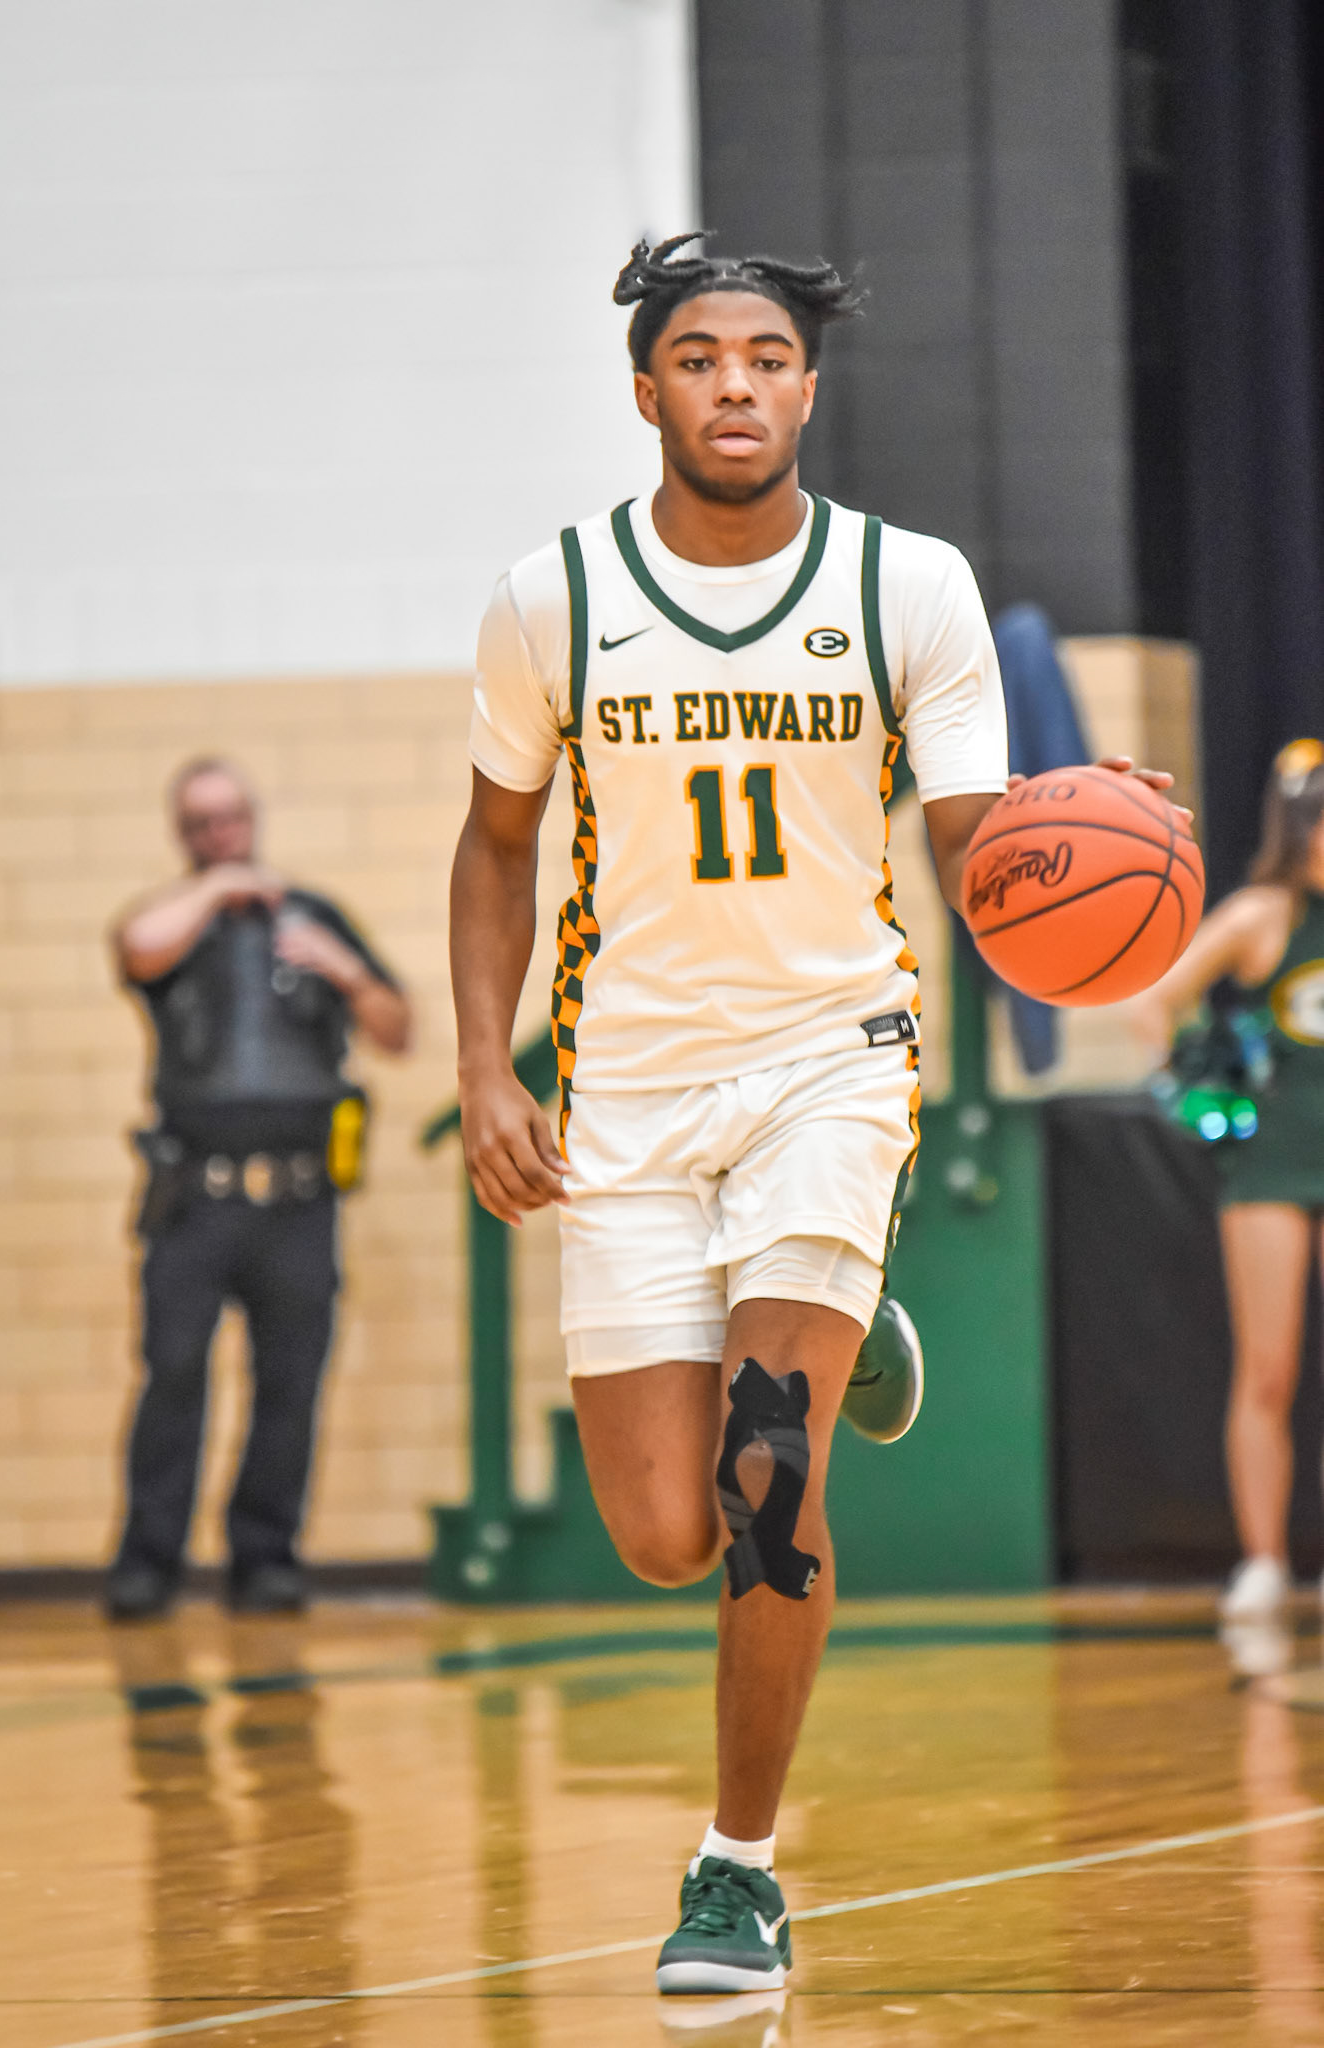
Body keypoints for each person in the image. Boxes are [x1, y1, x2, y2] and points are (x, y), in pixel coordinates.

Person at [449, 231, 1172, 1994]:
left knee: (765, 1479)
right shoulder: (553, 596)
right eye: (701, 358)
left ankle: (737, 1871)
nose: (737, 385)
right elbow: (494, 843)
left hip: (831, 1058)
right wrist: (481, 1066)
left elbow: (975, 846)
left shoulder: (903, 584)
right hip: (627, 1080)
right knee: (663, 1533)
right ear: (647, 391)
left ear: (809, 389)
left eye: (767, 358)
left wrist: (1080, 831)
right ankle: (857, 1338)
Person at [107, 757, 410, 1621]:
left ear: (253, 817)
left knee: (289, 1385)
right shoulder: (175, 923)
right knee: (172, 1376)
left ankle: (265, 1559)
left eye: (231, 818)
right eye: (202, 824)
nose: (221, 835)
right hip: (193, 1199)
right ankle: (149, 1563)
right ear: (183, 835)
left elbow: (397, 1028)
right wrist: (217, 889)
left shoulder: (314, 917)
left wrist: (344, 970)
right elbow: (135, 948)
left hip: (298, 1202)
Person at [1132, 738, 1324, 1623]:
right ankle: (1262, 1562)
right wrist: (1193, 1090)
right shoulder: (1259, 916)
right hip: (1271, 1160)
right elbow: (1152, 999)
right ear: (1296, 830)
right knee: (1267, 1370)